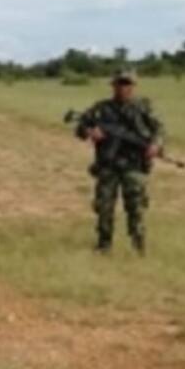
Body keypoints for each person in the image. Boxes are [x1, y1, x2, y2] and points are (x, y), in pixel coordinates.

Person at [74, 71, 165, 255]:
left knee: (136, 207)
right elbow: (80, 127)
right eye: (120, 83)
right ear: (113, 85)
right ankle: (103, 246)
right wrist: (90, 131)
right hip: (108, 165)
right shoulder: (101, 108)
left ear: (133, 86)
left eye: (127, 83)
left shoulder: (143, 108)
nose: (123, 87)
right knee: (104, 207)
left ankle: (138, 247)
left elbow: (159, 129)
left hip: (134, 165)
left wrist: (156, 145)